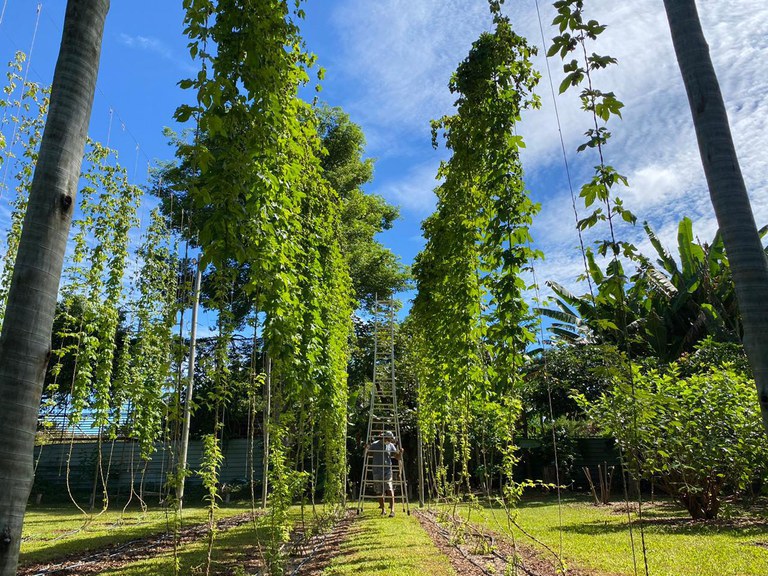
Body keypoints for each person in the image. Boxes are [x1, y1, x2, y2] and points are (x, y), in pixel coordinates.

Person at [367, 430, 402, 517]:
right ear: (384, 437)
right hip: (377, 470)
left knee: (389, 489)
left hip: (387, 470)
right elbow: (368, 453)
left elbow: (396, 457)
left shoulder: (391, 446)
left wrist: (400, 453)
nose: (390, 441)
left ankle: (392, 510)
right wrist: (367, 448)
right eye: (389, 439)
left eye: (390, 440)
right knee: (379, 491)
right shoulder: (375, 444)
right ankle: (383, 509)